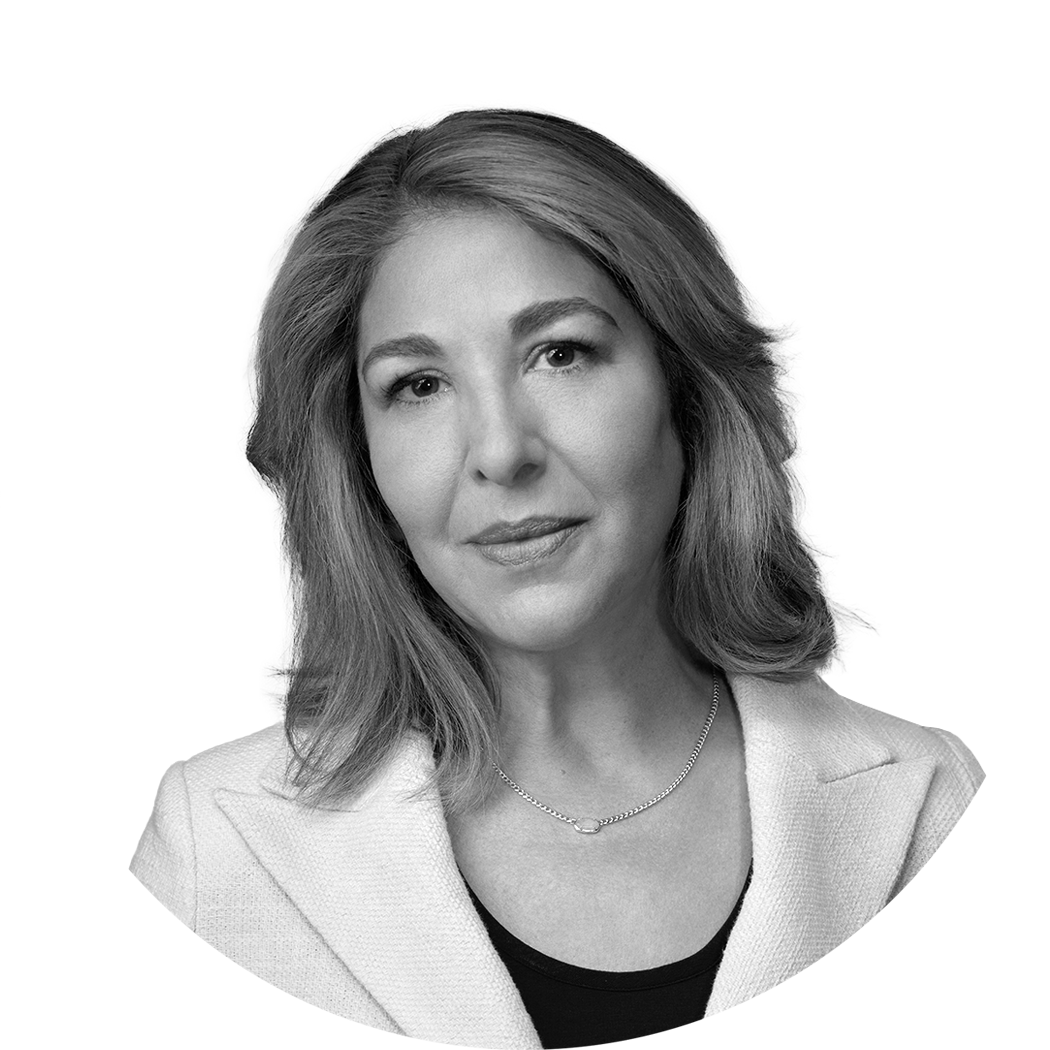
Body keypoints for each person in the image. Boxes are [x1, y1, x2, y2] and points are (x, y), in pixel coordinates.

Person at [74, 109, 1049, 1050]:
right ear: (358, 455)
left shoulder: (930, 807)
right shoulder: (219, 846)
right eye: (418, 384)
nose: (501, 451)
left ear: (687, 390)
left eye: (561, 353)